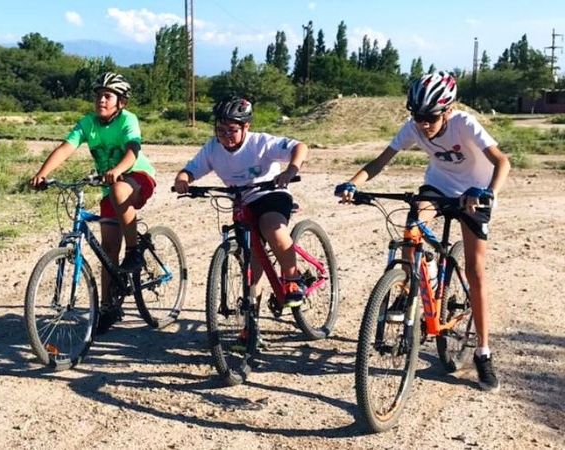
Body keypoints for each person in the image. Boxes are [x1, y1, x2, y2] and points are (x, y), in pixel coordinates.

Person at [334, 71, 510, 392]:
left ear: (448, 110)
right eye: (417, 116)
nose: (423, 125)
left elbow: (502, 162)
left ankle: (483, 352)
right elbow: (380, 162)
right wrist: (353, 183)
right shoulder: (414, 127)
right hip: (438, 187)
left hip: (475, 193)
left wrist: (488, 194)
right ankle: (408, 288)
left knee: (475, 270)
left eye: (429, 117)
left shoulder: (465, 125)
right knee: (412, 228)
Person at [29, 71, 157, 334]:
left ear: (120, 102)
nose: (101, 99)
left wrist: (119, 169)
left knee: (119, 191)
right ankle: (109, 307)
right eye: (99, 95)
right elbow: (66, 147)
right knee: (109, 250)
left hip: (137, 176)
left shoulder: (127, 120)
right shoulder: (88, 123)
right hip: (111, 186)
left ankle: (134, 252)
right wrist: (43, 173)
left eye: (108, 96)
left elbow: (134, 150)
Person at [173, 97, 310, 311]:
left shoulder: (260, 143)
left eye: (232, 130)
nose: (226, 136)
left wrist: (291, 170)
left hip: (271, 194)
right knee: (251, 259)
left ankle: (293, 278)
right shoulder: (212, 148)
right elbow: (191, 169)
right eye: (220, 130)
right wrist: (183, 180)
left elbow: (299, 147)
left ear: (246, 126)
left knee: (271, 227)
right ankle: (251, 319)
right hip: (241, 201)